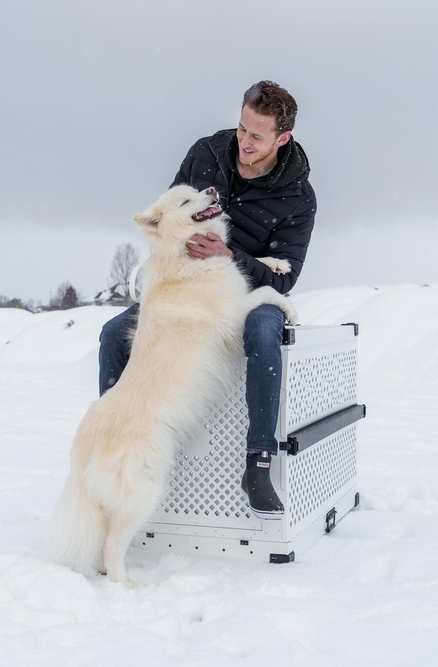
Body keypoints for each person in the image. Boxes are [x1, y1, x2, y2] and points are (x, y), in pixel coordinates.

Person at [98, 80, 317, 517]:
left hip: (250, 293)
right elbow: (169, 218)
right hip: (184, 285)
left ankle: (258, 463)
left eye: (257, 135)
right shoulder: (207, 153)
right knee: (112, 333)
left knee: (262, 329)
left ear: (282, 138)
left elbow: (285, 277)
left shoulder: (298, 197)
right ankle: (114, 439)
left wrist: (230, 255)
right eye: (241, 128)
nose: (244, 142)